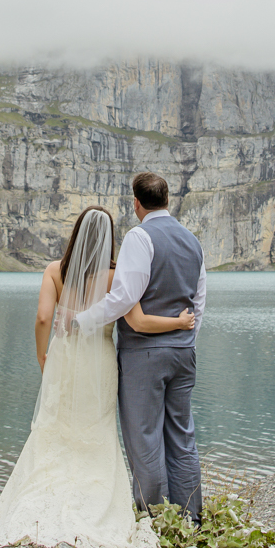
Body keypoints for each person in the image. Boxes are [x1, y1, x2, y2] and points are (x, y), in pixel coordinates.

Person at [0, 205, 191, 548]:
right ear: (110, 240)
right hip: (100, 362)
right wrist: (179, 323)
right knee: (98, 428)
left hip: (64, 357)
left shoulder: (55, 271)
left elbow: (44, 318)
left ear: (76, 234)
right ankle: (97, 501)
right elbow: (136, 321)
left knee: (55, 425)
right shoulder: (114, 276)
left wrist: (42, 355)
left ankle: (39, 497)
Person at [75, 172, 206, 524]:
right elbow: (199, 301)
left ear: (136, 203)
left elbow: (124, 297)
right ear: (168, 200)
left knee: (144, 438)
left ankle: (153, 519)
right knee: (182, 434)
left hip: (143, 355)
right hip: (184, 352)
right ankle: (190, 517)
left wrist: (82, 321)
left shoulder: (139, 236)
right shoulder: (193, 241)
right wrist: (185, 339)